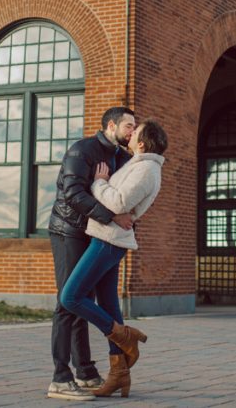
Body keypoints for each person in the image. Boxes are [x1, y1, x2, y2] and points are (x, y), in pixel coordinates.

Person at [58, 119, 168, 399]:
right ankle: (119, 373)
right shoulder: (138, 163)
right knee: (108, 303)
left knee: (70, 297)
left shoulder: (146, 169)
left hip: (109, 240)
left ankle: (123, 335)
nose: (131, 134)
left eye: (136, 131)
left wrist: (98, 182)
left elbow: (118, 203)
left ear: (142, 143)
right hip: (107, 237)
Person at [47, 107, 137, 402]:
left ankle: (85, 371)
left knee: (82, 300)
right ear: (111, 125)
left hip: (96, 234)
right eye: (128, 126)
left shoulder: (122, 157)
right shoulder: (82, 150)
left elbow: (127, 194)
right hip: (69, 230)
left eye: (135, 128)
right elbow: (73, 192)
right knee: (67, 300)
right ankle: (61, 378)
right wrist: (111, 217)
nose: (132, 132)